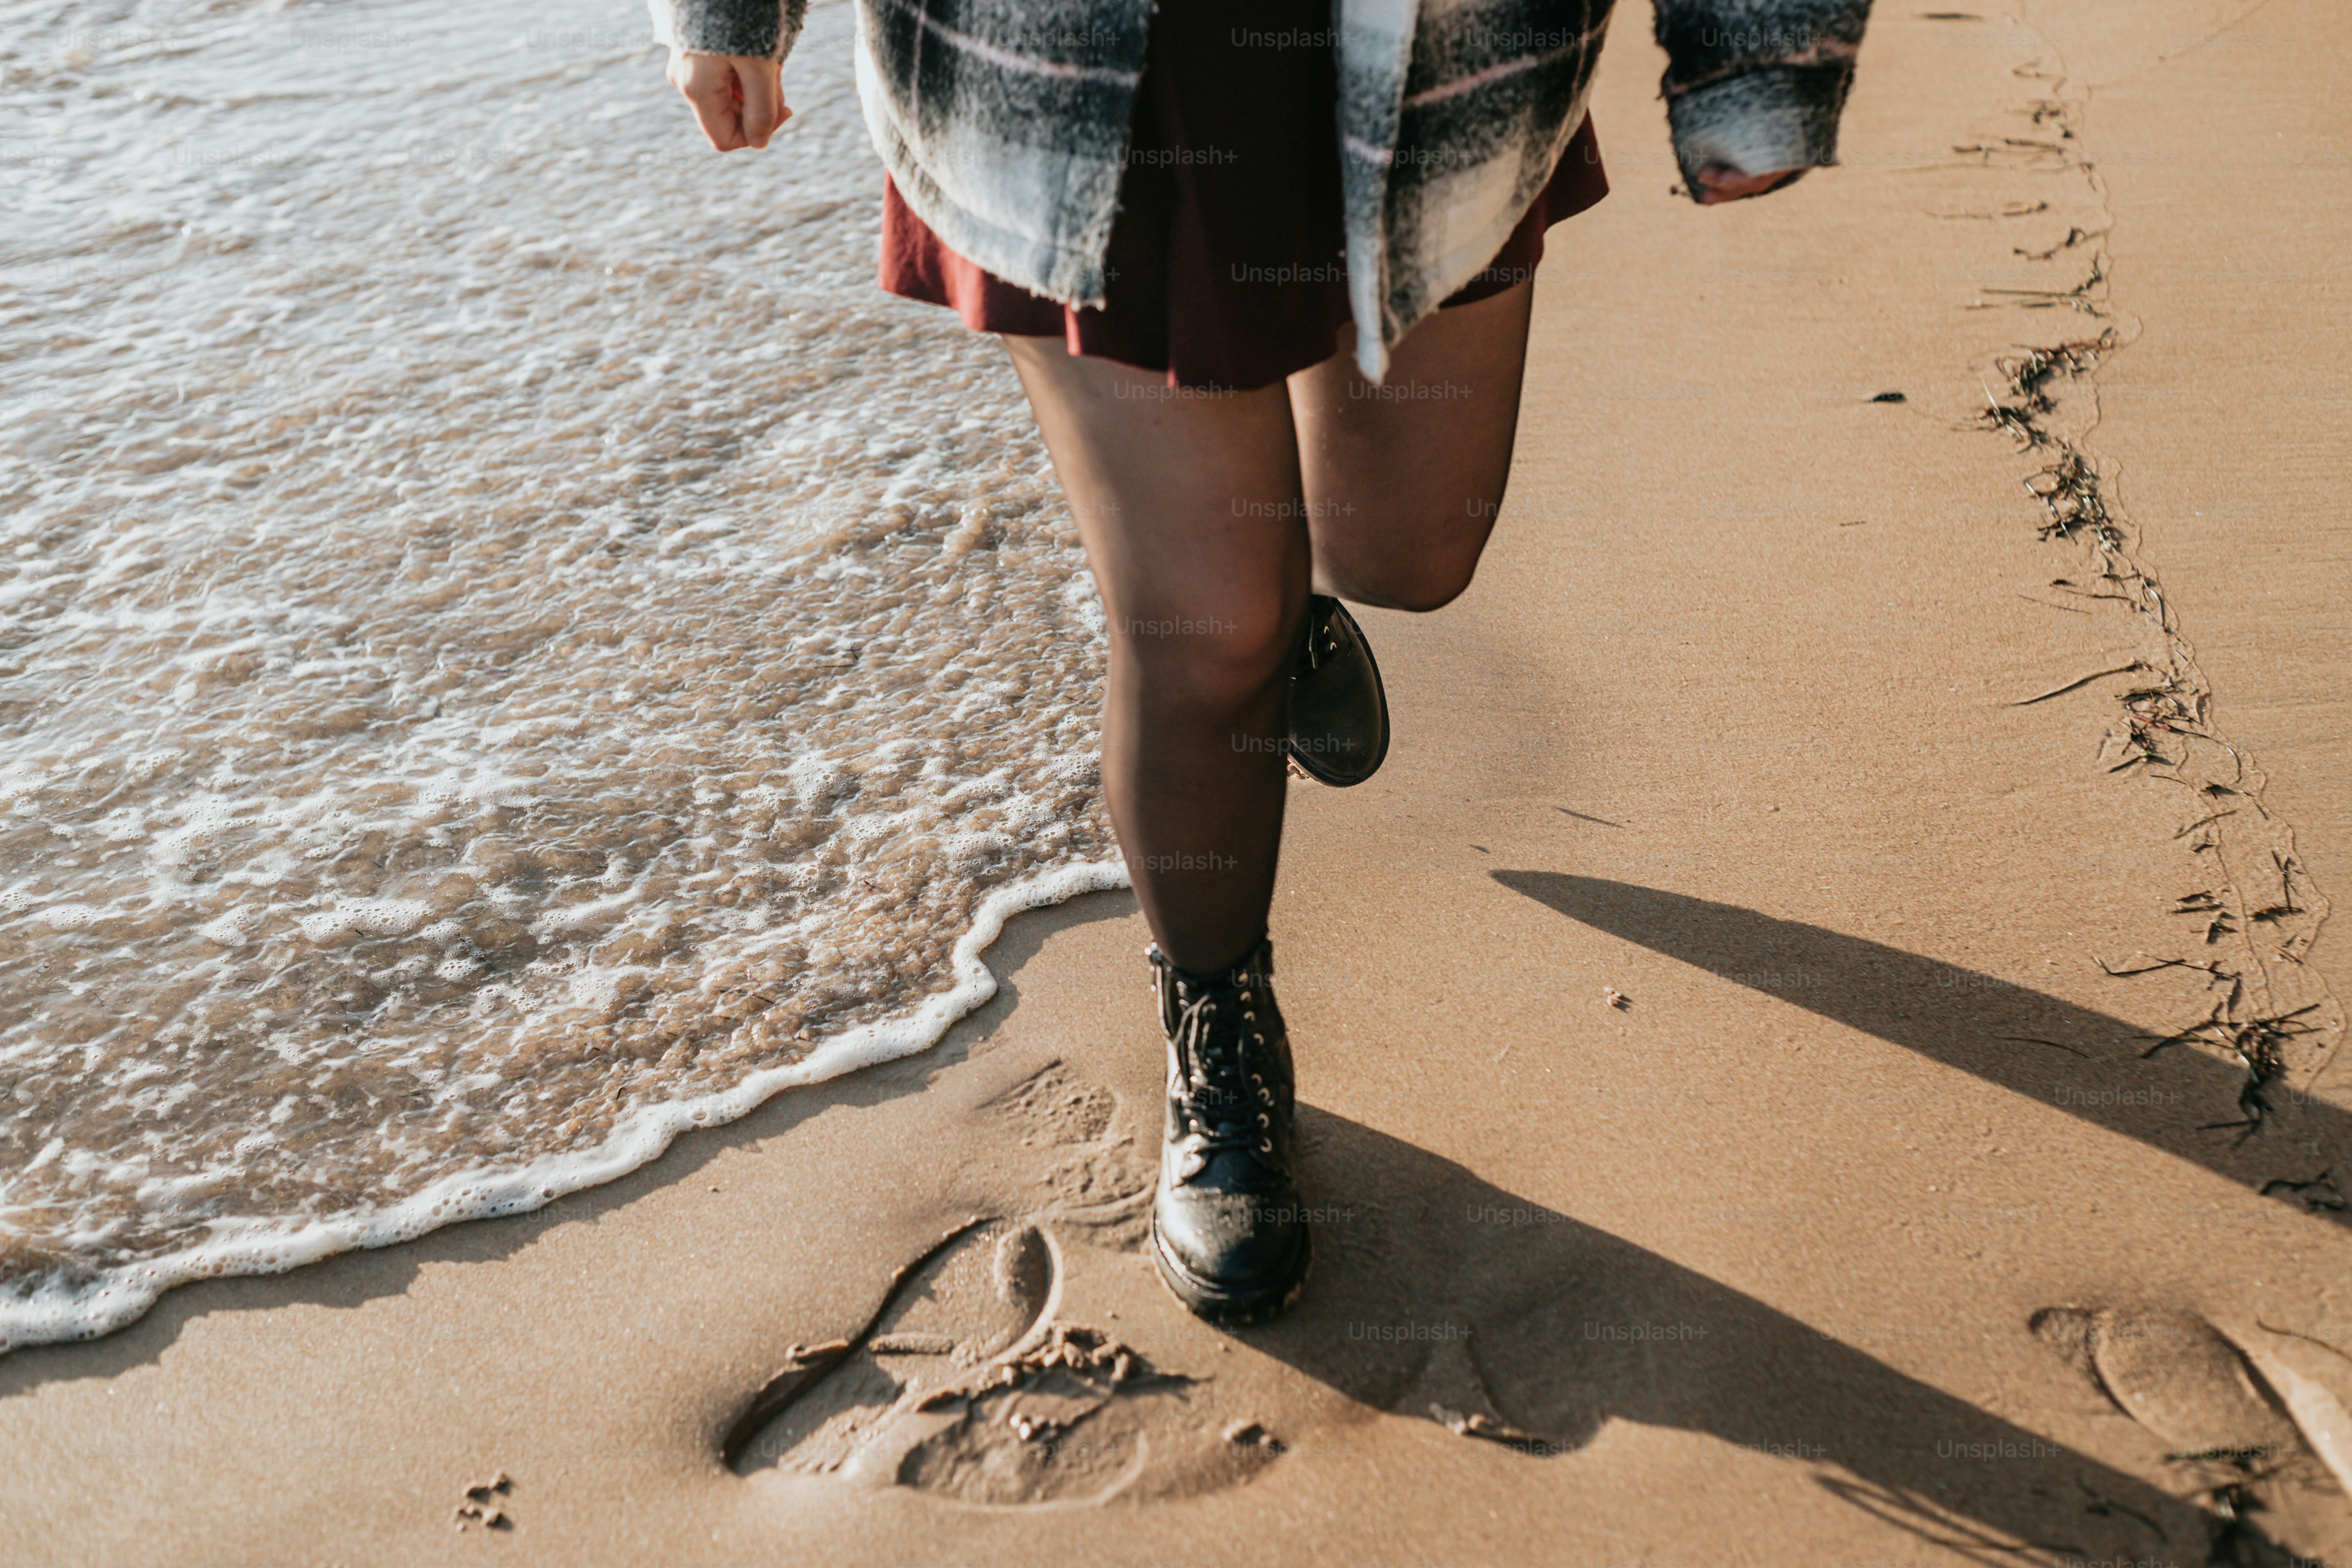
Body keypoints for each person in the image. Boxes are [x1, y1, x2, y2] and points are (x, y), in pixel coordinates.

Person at [653, 0, 1874, 1322]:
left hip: (1442, 66)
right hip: (1080, 73)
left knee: (1411, 551)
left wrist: (1758, 59)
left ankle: (1283, 609)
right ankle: (1218, 1024)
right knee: (1209, 630)